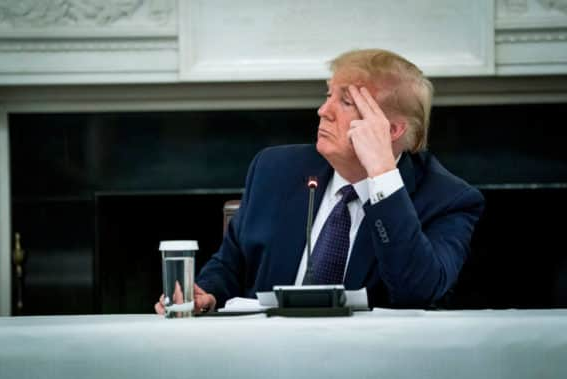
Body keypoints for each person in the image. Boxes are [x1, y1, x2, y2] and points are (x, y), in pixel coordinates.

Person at [155, 48, 484, 314]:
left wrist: (383, 176)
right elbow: (232, 264)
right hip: (265, 353)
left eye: (346, 102)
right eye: (328, 95)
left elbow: (418, 292)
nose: (322, 110)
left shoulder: (448, 199)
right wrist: (207, 293)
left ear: (392, 130)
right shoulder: (275, 169)